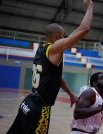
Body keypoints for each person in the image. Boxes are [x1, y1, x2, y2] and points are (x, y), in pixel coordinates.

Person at [7, 0, 93, 133]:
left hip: (28, 103)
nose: (65, 38)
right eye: (63, 36)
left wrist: (70, 93)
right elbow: (84, 29)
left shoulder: (41, 50)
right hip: (40, 108)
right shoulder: (53, 50)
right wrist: (90, 7)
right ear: (58, 37)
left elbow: (55, 77)